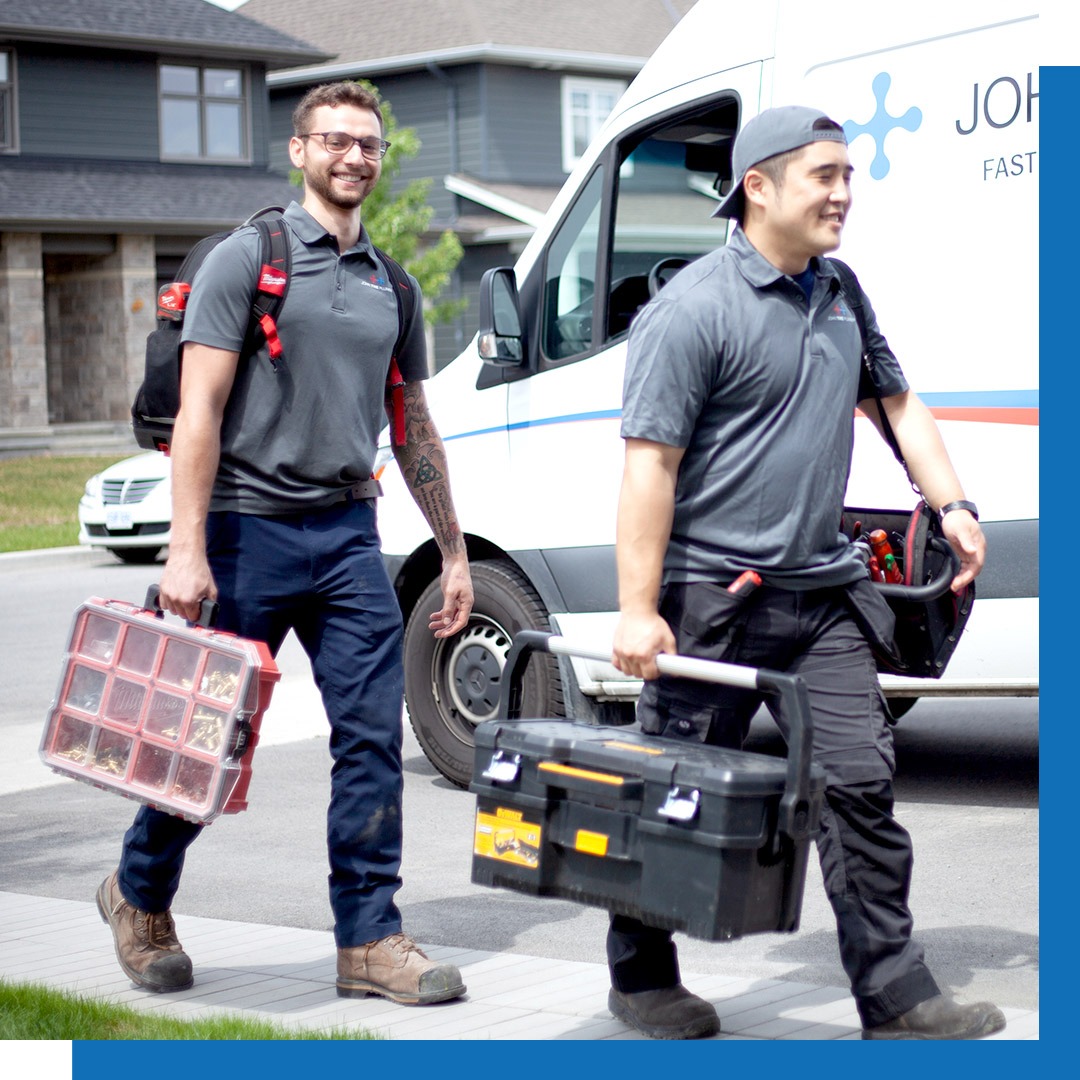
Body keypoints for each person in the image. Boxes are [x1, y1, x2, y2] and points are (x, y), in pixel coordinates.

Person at [606, 105, 1005, 1040]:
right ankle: (642, 976)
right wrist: (635, 609)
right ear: (759, 185)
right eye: (824, 175)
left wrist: (953, 505)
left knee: (860, 784)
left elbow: (898, 403)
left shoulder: (839, 292)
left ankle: (896, 996)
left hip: (823, 594)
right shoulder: (691, 310)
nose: (842, 193)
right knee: (680, 785)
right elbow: (647, 466)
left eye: (847, 176)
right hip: (711, 597)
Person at [96, 81, 474, 1007]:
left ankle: (369, 938)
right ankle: (138, 893)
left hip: (348, 534)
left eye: (369, 145)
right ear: (300, 152)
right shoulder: (246, 259)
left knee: (372, 742)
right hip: (240, 531)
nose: (354, 157)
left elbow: (412, 423)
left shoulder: (394, 283)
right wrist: (184, 553)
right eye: (336, 141)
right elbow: (199, 414)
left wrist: (455, 552)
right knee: (201, 739)